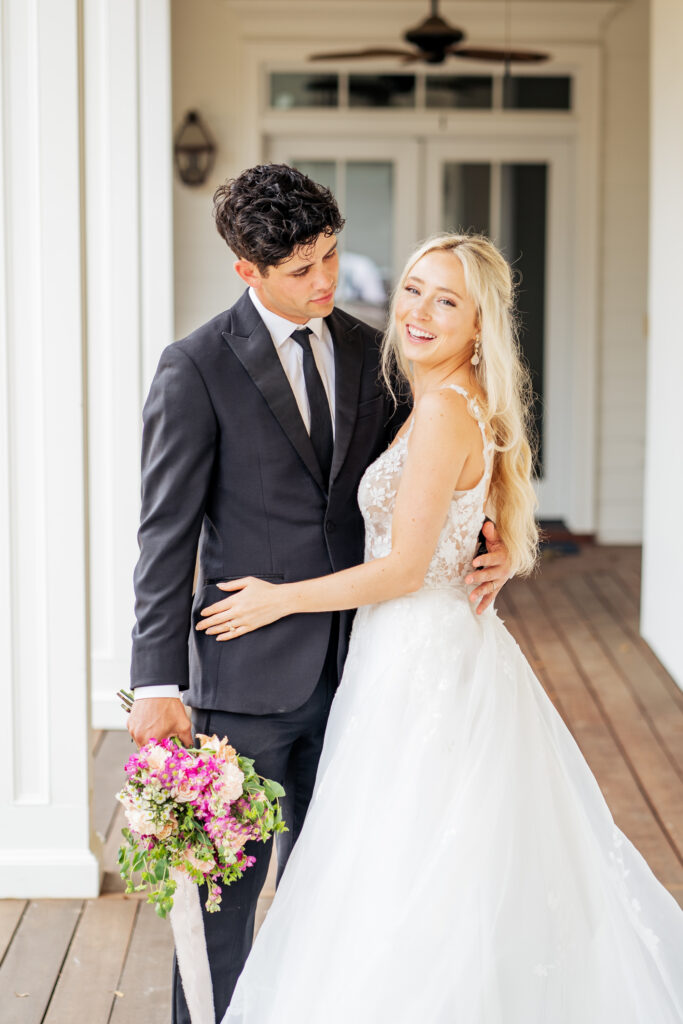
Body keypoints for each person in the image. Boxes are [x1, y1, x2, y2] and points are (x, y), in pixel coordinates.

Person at [195, 234, 683, 1023]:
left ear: (479, 323)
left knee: (410, 859)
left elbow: (402, 570)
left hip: (419, 652)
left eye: (445, 300)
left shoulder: (443, 415)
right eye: (413, 288)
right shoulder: (435, 399)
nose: (418, 311)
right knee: (410, 855)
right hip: (412, 648)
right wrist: (493, 548)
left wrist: (276, 599)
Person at [126, 167, 511, 1024]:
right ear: (247, 272)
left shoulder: (376, 351)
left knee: (341, 897)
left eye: (331, 256)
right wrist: (156, 683)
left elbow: (447, 462)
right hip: (248, 678)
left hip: (370, 674)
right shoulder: (194, 368)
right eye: (300, 270)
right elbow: (165, 534)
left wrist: (496, 545)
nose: (324, 282)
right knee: (227, 902)